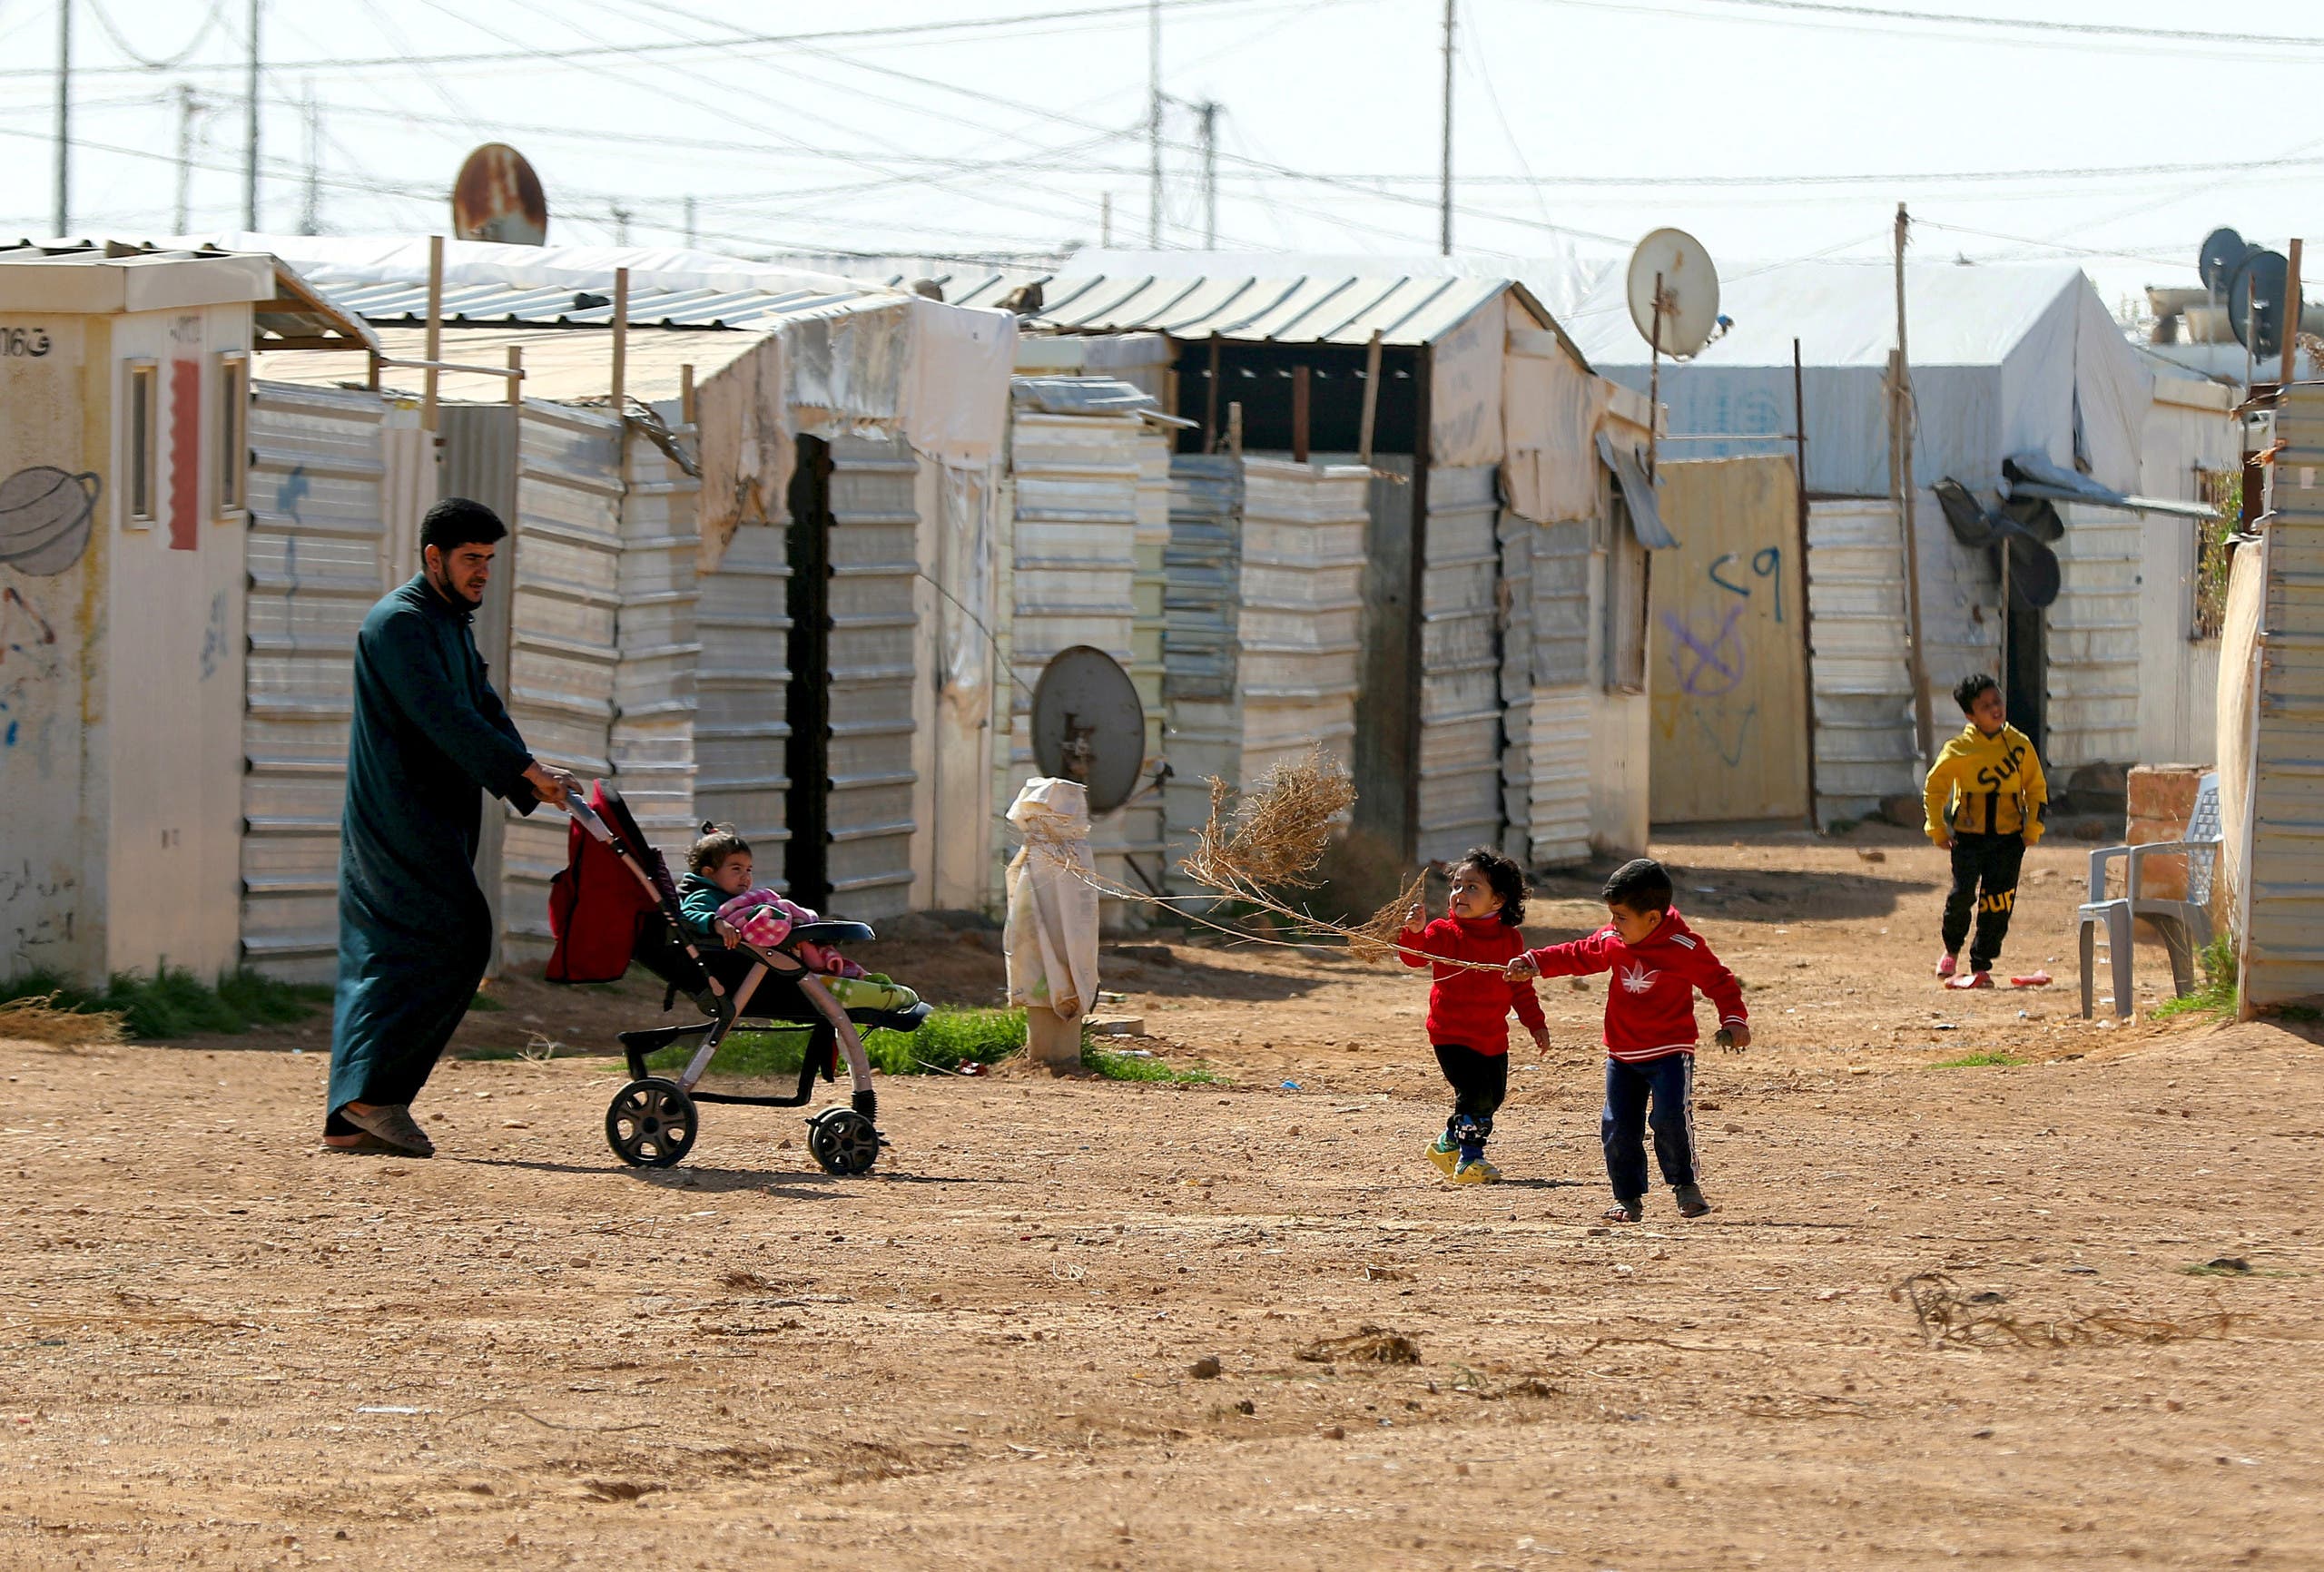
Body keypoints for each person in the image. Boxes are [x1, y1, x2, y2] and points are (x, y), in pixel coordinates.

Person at [323, 499, 575, 1157]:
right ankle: (370, 1097)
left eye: (489, 560)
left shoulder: (447, 622)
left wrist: (532, 774)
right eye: (471, 559)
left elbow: (483, 708)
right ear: (433, 557)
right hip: (399, 813)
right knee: (450, 940)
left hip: (432, 810)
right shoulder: (401, 625)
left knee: (400, 951)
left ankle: (354, 1116)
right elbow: (444, 718)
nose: (483, 572)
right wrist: (522, 771)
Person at [1507, 858, 1748, 1221]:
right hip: (1621, 1053)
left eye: (1621, 917)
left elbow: (1719, 982)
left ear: (1652, 918)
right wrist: (1534, 961)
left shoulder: (1683, 947)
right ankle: (1627, 1198)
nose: (1613, 925)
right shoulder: (1612, 940)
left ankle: (1685, 1186)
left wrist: (1734, 1020)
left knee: (1669, 1118)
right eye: (1612, 916)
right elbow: (1579, 953)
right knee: (1618, 1126)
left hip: (1670, 1051)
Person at [1398, 849, 1551, 1186]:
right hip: (1451, 1034)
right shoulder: (1442, 933)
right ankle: (1469, 1160)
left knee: (1493, 1097)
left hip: (1492, 1036)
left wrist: (1535, 1022)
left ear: (1497, 901)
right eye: (1456, 885)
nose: (1459, 893)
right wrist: (1413, 932)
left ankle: (1446, 1143)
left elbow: (1520, 989)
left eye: (1472, 887)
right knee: (1474, 1095)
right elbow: (1413, 957)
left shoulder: (1510, 940)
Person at [675, 827, 919, 1015]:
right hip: (743, 970)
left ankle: (852, 978)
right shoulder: (704, 896)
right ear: (708, 873)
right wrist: (717, 923)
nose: (745, 877)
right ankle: (851, 986)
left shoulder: (736, 900)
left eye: (749, 870)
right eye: (736, 869)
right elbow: (688, 916)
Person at [1923, 672, 2048, 988]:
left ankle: (1981, 964)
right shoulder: (1959, 749)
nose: (1995, 709)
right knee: (1962, 896)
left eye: (1997, 702)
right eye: (1985, 706)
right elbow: (1934, 788)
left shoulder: (2019, 745)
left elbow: (2036, 789)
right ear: (1970, 715)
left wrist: (2033, 827)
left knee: (1997, 903)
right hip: (1968, 839)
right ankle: (1951, 949)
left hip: (2008, 839)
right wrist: (1936, 828)